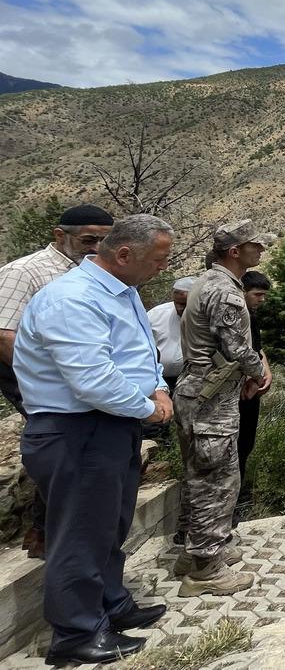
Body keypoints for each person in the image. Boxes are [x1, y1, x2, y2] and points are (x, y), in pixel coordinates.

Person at [15, 214, 172, 665]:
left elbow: (142, 354)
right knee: (81, 533)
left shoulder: (123, 294)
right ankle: (76, 633)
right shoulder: (72, 299)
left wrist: (158, 386)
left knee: (109, 525)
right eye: (158, 259)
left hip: (110, 426)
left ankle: (111, 604)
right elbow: (93, 379)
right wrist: (150, 408)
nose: (163, 267)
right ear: (124, 255)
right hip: (76, 430)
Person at [0, 202, 113, 560]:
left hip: (76, 376)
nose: (96, 247)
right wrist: (50, 377)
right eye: (88, 239)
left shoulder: (94, 273)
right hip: (34, 376)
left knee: (77, 449)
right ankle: (50, 534)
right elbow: (4, 334)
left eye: (104, 241)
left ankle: (50, 529)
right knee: (61, 447)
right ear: (60, 235)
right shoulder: (26, 271)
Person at [174, 220, 273, 594]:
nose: (260, 251)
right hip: (211, 397)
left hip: (201, 389)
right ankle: (207, 570)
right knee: (218, 481)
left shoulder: (207, 282)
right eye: (255, 246)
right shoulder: (227, 292)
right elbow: (236, 347)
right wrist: (257, 372)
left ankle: (194, 551)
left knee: (200, 474)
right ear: (235, 252)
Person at [236, 270, 273, 509]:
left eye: (264, 295)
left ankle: (239, 492)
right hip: (236, 392)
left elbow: (258, 351)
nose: (261, 300)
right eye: (257, 294)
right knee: (235, 446)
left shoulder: (252, 317)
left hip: (252, 391)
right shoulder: (237, 318)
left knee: (246, 443)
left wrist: (266, 372)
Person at [146, 276, 194, 393]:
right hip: (159, 381)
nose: (179, 308)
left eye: (184, 304)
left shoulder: (207, 317)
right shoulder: (156, 315)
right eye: (176, 303)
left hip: (193, 383)